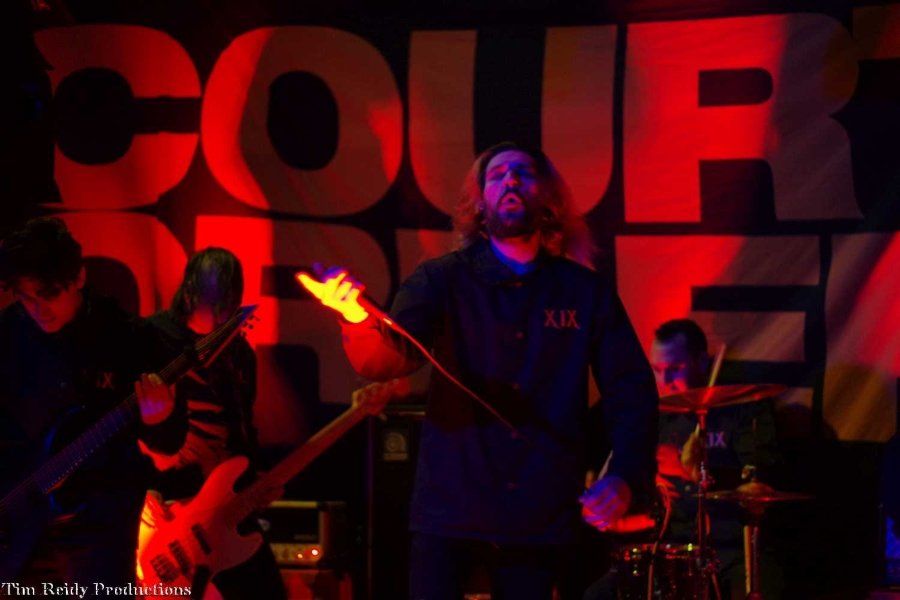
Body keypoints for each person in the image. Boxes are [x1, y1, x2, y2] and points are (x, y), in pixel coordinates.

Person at [306, 142, 659, 599]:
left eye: (523, 173)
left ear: (548, 198)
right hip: (452, 506)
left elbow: (631, 388)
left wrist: (625, 474)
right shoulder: (441, 279)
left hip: (539, 509)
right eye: (496, 175)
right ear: (478, 203)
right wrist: (356, 318)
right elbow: (390, 359)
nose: (510, 180)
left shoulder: (583, 291)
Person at [0, 217, 183, 592]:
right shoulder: (8, 334)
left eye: (50, 294)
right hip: (18, 526)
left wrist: (160, 419)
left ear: (79, 278)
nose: (39, 309)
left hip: (98, 530)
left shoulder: (130, 338)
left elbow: (171, 441)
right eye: (27, 298)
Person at [584, 318, 782, 599]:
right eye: (658, 370)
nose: (664, 381)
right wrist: (616, 493)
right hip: (673, 547)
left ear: (701, 361)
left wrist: (701, 472)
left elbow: (760, 486)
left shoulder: (744, 409)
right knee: (597, 595)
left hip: (733, 549)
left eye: (674, 369)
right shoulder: (656, 417)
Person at [142, 247, 286, 599]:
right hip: (168, 507)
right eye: (216, 306)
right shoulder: (151, 339)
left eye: (230, 308)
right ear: (190, 294)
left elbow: (242, 428)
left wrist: (256, 479)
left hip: (222, 506)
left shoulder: (239, 353)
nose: (223, 317)